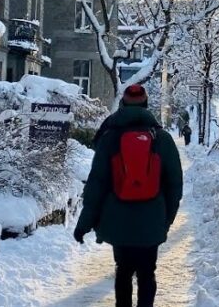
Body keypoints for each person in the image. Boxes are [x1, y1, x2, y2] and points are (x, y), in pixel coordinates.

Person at [74, 84, 183, 307]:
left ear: (122, 105)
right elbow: (174, 185)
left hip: (118, 220)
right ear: (146, 105)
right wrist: (166, 219)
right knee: (147, 273)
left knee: (123, 271)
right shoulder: (162, 139)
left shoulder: (109, 138)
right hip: (151, 220)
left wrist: (85, 223)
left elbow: (96, 184)